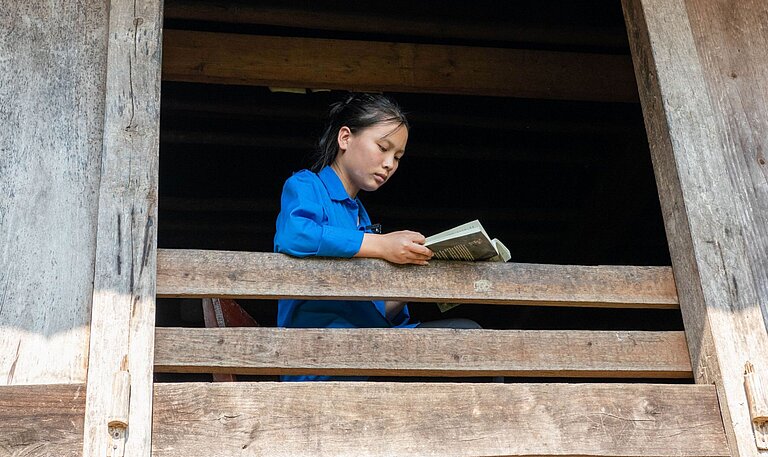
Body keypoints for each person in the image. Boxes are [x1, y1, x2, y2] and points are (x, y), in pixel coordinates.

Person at [274, 93, 481, 381]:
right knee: (467, 338)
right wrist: (382, 245)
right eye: (383, 148)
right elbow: (296, 235)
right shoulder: (306, 185)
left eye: (397, 157)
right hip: (319, 355)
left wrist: (414, 281)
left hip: (368, 346)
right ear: (345, 138)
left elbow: (369, 308)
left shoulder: (361, 217)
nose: (389, 164)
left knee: (470, 337)